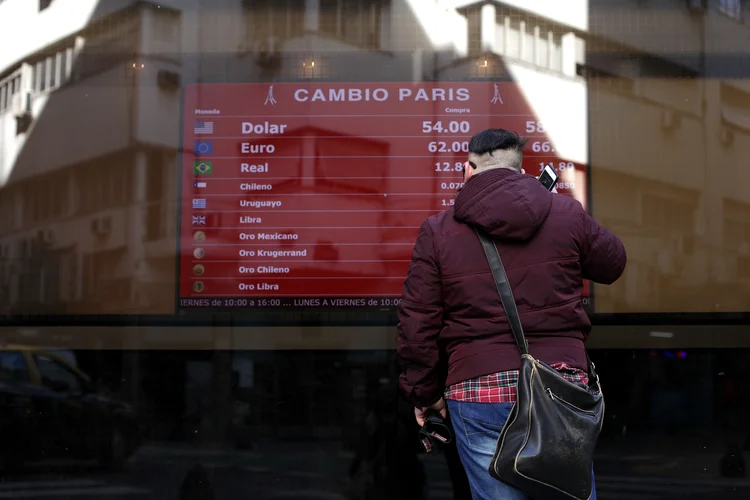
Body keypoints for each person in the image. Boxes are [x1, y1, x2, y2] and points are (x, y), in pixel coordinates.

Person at [396, 128, 627, 499]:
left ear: (468, 169)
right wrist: (553, 209)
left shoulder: (438, 231)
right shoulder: (565, 212)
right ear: (520, 171)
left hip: (478, 388)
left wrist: (424, 394)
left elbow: (417, 323)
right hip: (559, 384)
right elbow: (613, 263)